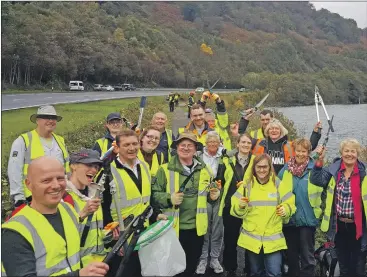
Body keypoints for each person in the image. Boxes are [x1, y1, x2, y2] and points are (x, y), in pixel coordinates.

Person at [1, 156, 109, 277]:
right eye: (46, 180)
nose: (56, 185)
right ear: (29, 184)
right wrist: (78, 275)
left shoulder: (68, 210)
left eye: (60, 178)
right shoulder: (15, 231)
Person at [151, 132, 220, 277]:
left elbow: (207, 194)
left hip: (196, 229)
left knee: (190, 266)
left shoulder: (204, 170)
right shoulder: (164, 169)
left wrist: (213, 197)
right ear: (177, 148)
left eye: (190, 145)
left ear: (196, 149)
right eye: (183, 145)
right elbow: (154, 195)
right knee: (173, 268)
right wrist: (169, 198)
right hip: (173, 229)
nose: (186, 148)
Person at [109, 129, 166, 277]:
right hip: (122, 237)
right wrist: (114, 238)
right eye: (126, 145)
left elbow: (147, 199)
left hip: (144, 232)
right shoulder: (109, 172)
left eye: (134, 144)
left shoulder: (144, 167)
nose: (132, 148)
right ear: (118, 148)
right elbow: (103, 208)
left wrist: (156, 215)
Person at [231, 154, 296, 277]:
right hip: (252, 239)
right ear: (254, 168)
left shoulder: (278, 184)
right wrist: (240, 206)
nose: (262, 170)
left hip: (273, 239)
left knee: (275, 273)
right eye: (259, 167)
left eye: (265, 167)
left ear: (270, 167)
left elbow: (290, 204)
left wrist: (285, 209)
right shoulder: (246, 186)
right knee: (256, 272)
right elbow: (234, 210)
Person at [311, 139, 367, 277]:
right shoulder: (334, 171)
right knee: (343, 267)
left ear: (357, 154)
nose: (349, 154)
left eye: (353, 151)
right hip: (339, 226)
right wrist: (319, 160)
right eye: (346, 151)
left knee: (358, 268)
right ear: (341, 153)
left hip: (359, 227)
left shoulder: (363, 173)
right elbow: (316, 180)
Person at [64, 149, 120, 266]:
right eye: (89, 165)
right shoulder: (62, 196)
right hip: (77, 267)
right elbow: (60, 235)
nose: (94, 170)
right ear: (73, 166)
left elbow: (92, 232)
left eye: (96, 166)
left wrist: (109, 236)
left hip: (98, 263)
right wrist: (82, 214)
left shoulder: (95, 193)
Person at [278, 138, 324, 277]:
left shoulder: (314, 169)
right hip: (289, 219)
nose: (300, 154)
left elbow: (326, 185)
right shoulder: (286, 169)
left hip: (307, 219)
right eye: (298, 150)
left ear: (309, 153)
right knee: (291, 256)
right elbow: (276, 188)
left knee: (307, 256)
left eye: (304, 151)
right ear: (294, 151)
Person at [7, 105, 70, 207]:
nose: (50, 121)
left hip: (58, 195)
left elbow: (66, 169)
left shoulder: (60, 141)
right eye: (46, 117)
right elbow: (14, 170)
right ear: (37, 120)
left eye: (53, 118)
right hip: (32, 198)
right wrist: (18, 198)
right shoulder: (23, 141)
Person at [219, 133, 255, 276]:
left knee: (250, 239)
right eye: (243, 142)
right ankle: (230, 268)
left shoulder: (255, 161)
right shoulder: (228, 161)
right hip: (230, 205)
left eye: (248, 143)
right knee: (230, 239)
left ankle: (249, 268)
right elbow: (220, 179)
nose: (246, 145)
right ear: (237, 144)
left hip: (250, 205)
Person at [195, 131, 224, 275]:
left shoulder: (224, 156)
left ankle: (215, 258)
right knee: (204, 228)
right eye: (210, 142)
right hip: (202, 196)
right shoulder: (199, 156)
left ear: (219, 143)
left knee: (217, 229)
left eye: (215, 142)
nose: (213, 144)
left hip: (219, 195)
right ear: (206, 143)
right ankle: (203, 259)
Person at [251, 118, 321, 175]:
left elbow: (308, 146)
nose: (274, 131)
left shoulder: (290, 145)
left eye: (277, 128)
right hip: (263, 182)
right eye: (271, 128)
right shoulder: (259, 143)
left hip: (283, 182)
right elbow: (242, 142)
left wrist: (315, 133)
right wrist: (244, 120)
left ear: (281, 131)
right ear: (267, 131)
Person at [93, 112, 126, 226]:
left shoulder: (127, 141)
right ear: (106, 125)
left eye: (118, 122)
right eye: (112, 122)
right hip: (106, 187)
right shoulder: (99, 143)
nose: (115, 124)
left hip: (125, 183)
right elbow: (94, 166)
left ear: (122, 123)